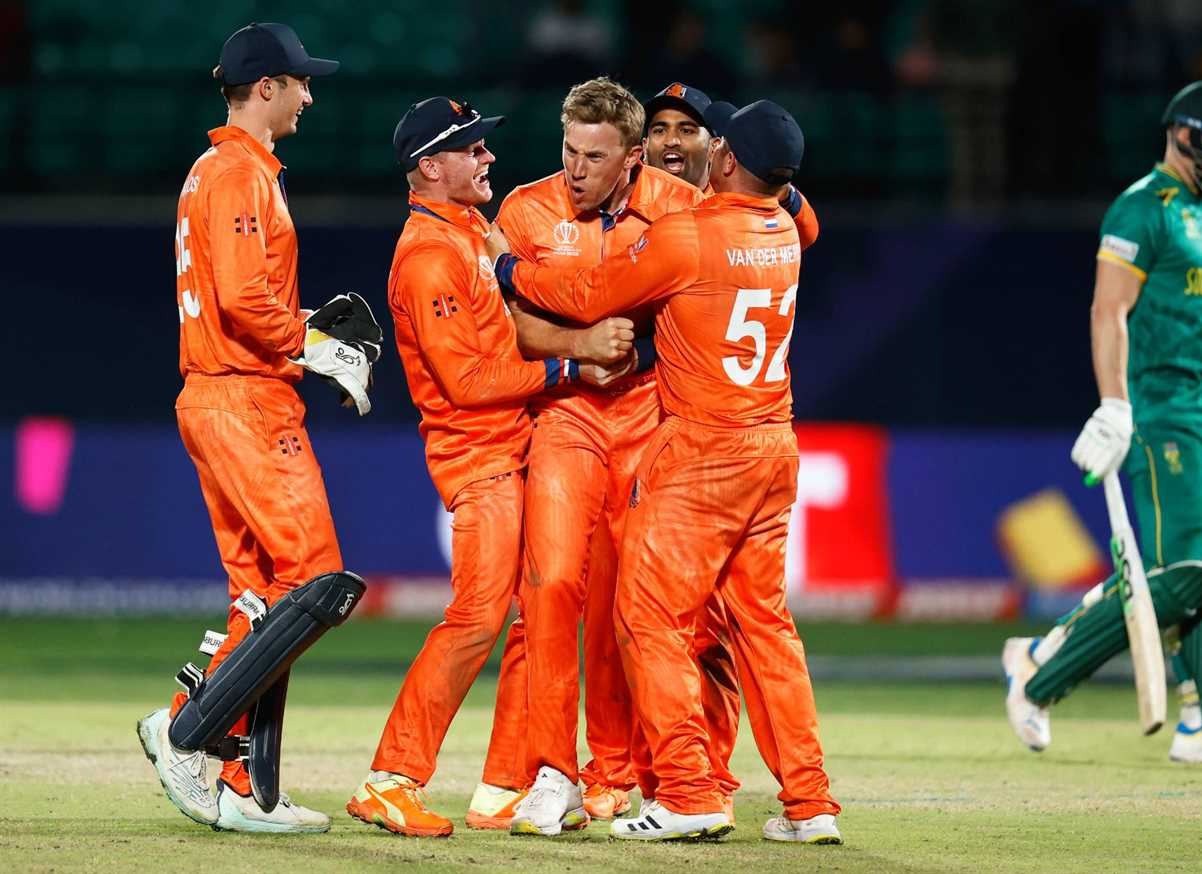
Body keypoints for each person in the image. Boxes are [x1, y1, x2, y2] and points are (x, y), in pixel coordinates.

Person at [490, 99, 843, 845]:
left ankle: (687, 792)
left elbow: (589, 296)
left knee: (647, 618)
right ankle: (809, 805)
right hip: (774, 447)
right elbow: (802, 215)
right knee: (766, 627)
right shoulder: (784, 229)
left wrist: (505, 266)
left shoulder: (687, 234)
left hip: (702, 454)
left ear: (724, 161)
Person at [345, 96, 629, 839]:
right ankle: (391, 778)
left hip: (513, 445)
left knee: (538, 619)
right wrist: (570, 365)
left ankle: (504, 784)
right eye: (472, 149)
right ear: (430, 167)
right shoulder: (429, 256)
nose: (488, 157)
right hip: (479, 460)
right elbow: (467, 382)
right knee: (477, 616)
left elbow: (508, 326)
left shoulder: (469, 229)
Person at [1002, 80, 1202, 764]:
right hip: (1162, 410)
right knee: (1185, 572)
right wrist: (1116, 403)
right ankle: (1040, 665)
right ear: (1186, 135)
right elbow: (1108, 311)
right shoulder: (1141, 208)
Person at [136, 22, 366, 834]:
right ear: (264, 87)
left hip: (217, 393)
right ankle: (186, 732)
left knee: (263, 596)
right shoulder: (239, 173)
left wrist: (306, 334)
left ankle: (236, 780)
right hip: (245, 400)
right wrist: (317, 342)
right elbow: (243, 300)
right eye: (300, 81)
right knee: (314, 582)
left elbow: (243, 298)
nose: (309, 94)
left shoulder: (217, 170)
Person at [644, 84, 819, 243]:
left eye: (687, 131)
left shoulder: (741, 195)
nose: (672, 140)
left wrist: (781, 189)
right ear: (644, 145)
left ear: (714, 146)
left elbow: (806, 234)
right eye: (659, 130)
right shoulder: (623, 200)